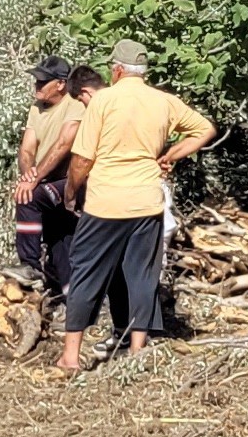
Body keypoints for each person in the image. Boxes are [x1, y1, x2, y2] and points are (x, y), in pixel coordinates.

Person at [55, 40, 213, 374]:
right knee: (142, 275)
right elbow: (205, 129)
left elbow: (82, 158)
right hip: (146, 202)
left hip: (105, 203)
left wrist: (70, 191)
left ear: (116, 70)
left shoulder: (104, 101)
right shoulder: (163, 100)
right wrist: (172, 154)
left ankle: (70, 356)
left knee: (86, 272)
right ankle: (137, 350)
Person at [7, 57, 85, 300]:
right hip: (47, 181)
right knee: (59, 238)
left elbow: (64, 144)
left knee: (29, 199)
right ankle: (74, 300)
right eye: (36, 80)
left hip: (71, 180)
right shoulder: (36, 107)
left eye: (43, 81)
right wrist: (29, 174)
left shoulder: (75, 104)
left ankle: (30, 264)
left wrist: (34, 180)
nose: (37, 85)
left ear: (61, 84)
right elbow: (27, 149)